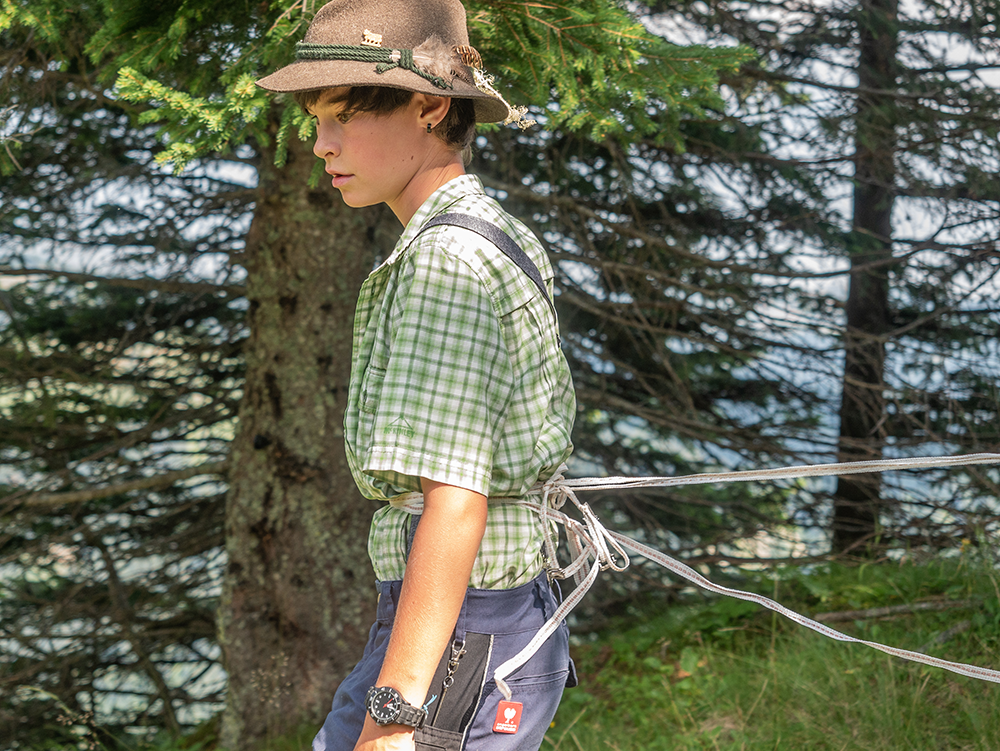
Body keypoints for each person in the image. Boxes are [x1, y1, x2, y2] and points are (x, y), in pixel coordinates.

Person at [256, 1, 577, 750]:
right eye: (315, 119)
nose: (321, 145)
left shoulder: (445, 263)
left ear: (431, 106)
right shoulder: (497, 234)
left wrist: (392, 717)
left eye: (342, 115)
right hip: (481, 620)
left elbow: (455, 502)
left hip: (464, 632)